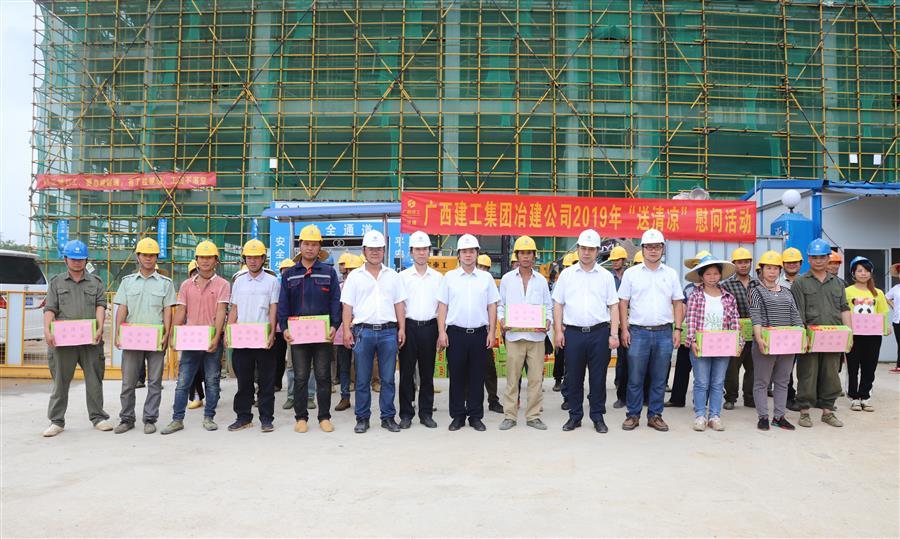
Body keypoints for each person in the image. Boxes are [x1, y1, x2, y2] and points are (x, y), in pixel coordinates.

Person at [41, 240, 112, 437]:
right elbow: (50, 308)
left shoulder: (96, 282)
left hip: (90, 341)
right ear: (65, 259)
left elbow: (100, 305)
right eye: (73, 259)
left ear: (86, 260)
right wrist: (47, 330)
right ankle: (56, 421)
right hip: (63, 341)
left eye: (81, 259)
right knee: (60, 382)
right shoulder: (56, 282)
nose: (77, 262)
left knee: (94, 380)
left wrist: (99, 327)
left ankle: (98, 417)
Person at [551, 229, 619, 433]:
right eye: (583, 248)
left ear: (597, 251)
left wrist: (613, 334)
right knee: (573, 377)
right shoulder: (567, 275)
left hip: (599, 333)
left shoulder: (605, 276)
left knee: (598, 378)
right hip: (573, 333)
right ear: (578, 249)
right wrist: (558, 331)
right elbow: (558, 304)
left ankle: (598, 417)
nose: (586, 252)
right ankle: (575, 416)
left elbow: (613, 306)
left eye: (591, 249)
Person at [618, 228, 684, 432]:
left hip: (664, 332)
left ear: (663, 249)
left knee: (660, 378)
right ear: (643, 248)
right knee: (635, 377)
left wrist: (678, 329)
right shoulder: (631, 274)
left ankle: (655, 415)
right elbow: (623, 302)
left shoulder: (670, 274)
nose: (653, 250)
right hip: (638, 332)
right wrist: (624, 329)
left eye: (657, 247)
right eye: (649, 247)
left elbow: (678, 302)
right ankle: (633, 414)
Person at [161, 240, 230, 434]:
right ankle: (177, 419)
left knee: (212, 380)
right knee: (183, 381)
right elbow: (181, 311)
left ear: (216, 260)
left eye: (209, 257)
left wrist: (216, 337)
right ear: (196, 260)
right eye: (201, 257)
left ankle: (209, 417)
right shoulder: (186, 285)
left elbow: (221, 312)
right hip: (190, 339)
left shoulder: (223, 285)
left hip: (211, 340)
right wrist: (174, 334)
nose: (205, 261)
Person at [278, 225, 342, 433]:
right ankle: (301, 417)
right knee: (300, 377)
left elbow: (335, 301)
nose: (310, 248)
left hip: (322, 334)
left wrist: (335, 325)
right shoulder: (290, 274)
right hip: (298, 336)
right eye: (306, 244)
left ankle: (324, 417)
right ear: (300, 246)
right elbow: (283, 304)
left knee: (323, 376)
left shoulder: (328, 272)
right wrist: (284, 328)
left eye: (314, 244)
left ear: (319, 247)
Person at [342, 230, 406, 433]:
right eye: (371, 249)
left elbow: (399, 304)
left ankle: (388, 417)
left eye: (379, 249)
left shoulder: (393, 276)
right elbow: (347, 306)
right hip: (363, 332)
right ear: (364, 251)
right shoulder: (355, 277)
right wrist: (346, 330)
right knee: (362, 379)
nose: (375, 252)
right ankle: (362, 418)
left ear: (384, 251)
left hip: (388, 332)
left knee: (388, 379)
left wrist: (402, 328)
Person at [112, 238, 176, 435]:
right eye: (145, 255)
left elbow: (168, 310)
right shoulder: (127, 282)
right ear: (138, 257)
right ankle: (126, 419)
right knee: (128, 382)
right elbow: (122, 308)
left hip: (155, 339)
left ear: (157, 258)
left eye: (152, 255)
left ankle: (149, 419)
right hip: (132, 338)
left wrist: (166, 333)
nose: (148, 258)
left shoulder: (166, 283)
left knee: (155, 382)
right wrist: (117, 333)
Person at [437, 234, 500, 432]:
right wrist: (441, 332)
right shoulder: (449, 278)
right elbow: (442, 306)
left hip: (479, 334)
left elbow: (492, 306)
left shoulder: (486, 278)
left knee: (476, 377)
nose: (468, 255)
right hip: (455, 334)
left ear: (477, 253)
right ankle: (457, 416)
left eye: (471, 251)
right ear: (459, 254)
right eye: (464, 251)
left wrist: (491, 332)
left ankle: (475, 416)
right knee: (456, 376)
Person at [791, 238, 851, 428]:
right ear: (809, 259)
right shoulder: (800, 282)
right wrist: (803, 337)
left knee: (831, 375)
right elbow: (798, 312)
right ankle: (804, 412)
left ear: (828, 258)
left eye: (822, 257)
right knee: (807, 374)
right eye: (814, 257)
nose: (818, 261)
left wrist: (849, 334)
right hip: (810, 337)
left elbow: (844, 308)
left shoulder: (838, 283)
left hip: (833, 338)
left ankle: (827, 411)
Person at [497, 236, 552, 431]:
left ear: (534, 256)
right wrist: (502, 320)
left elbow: (548, 306)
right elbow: (501, 305)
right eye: (522, 253)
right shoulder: (507, 280)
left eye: (529, 253)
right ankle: (510, 416)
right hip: (514, 337)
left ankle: (533, 416)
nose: (526, 256)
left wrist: (548, 321)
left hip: (536, 338)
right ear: (517, 255)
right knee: (512, 379)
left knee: (536, 379)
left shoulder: (541, 281)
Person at [226, 240, 280, 432]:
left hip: (263, 338)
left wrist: (272, 333)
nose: (253, 261)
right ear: (245, 259)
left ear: (263, 259)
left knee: (266, 381)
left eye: (257, 257)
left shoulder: (272, 281)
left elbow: (273, 308)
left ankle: (266, 418)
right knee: (244, 381)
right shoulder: (239, 281)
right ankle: (243, 417)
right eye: (249, 257)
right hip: (242, 338)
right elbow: (234, 308)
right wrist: (228, 331)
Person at [683, 255, 739, 431]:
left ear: (720, 275)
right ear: (701, 276)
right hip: (701, 345)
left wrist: (738, 342)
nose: (712, 277)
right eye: (708, 274)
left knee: (718, 382)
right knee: (701, 382)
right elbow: (691, 320)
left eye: (715, 273)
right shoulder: (695, 296)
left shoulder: (728, 297)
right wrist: (692, 340)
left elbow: (734, 321)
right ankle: (700, 415)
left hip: (723, 345)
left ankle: (715, 416)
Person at [749, 251, 803, 431]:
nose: (772, 272)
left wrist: (802, 337)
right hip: (766, 342)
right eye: (768, 268)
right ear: (761, 271)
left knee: (782, 381)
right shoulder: (756, 291)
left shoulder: (787, 292)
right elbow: (756, 316)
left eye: (775, 268)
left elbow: (795, 316)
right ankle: (763, 416)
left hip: (787, 343)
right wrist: (759, 339)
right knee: (762, 382)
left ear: (780, 270)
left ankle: (779, 417)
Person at [398, 231, 442, 429]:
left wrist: (441, 331)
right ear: (411, 252)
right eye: (418, 249)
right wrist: (401, 329)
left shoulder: (438, 278)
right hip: (409, 327)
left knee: (427, 373)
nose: (421, 253)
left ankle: (425, 413)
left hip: (430, 328)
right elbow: (399, 305)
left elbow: (441, 307)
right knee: (406, 374)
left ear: (429, 251)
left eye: (424, 249)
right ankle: (406, 414)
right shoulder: (402, 277)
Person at [665, 250, 710, 409]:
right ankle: (677, 399)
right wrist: (678, 328)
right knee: (682, 367)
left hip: (706, 336)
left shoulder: (715, 288)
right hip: (689, 333)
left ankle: (701, 402)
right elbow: (682, 309)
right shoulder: (688, 288)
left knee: (703, 371)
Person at [845, 256, 890, 412]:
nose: (863, 274)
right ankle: (854, 397)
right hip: (853, 335)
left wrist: (887, 326)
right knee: (852, 367)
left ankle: (865, 396)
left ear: (871, 273)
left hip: (873, 336)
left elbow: (883, 312)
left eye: (866, 271)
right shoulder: (847, 291)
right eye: (859, 271)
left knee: (870, 366)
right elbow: (843, 311)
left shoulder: (878, 293)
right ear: (853, 273)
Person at [721, 247, 758, 410]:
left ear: (751, 263)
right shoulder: (726, 285)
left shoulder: (758, 284)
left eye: (746, 262)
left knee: (753, 367)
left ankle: (750, 397)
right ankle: (730, 397)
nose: (743, 265)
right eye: (739, 262)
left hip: (756, 332)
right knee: (732, 368)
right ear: (734, 264)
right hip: (735, 332)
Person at [476, 253, 504, 414]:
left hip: (485, 332)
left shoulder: (489, 283)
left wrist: (492, 332)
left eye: (486, 268)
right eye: (481, 266)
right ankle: (467, 401)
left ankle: (493, 400)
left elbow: (495, 306)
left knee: (489, 369)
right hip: (469, 331)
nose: (483, 270)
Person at [607, 245, 631, 409]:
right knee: (618, 360)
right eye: (613, 260)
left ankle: (629, 395)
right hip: (612, 323)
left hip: (629, 324)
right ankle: (620, 394)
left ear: (624, 260)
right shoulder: (609, 278)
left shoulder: (630, 276)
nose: (614, 262)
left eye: (617, 260)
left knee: (629, 360)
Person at [552, 252, 578, 394]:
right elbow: (556, 305)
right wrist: (558, 326)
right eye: (566, 267)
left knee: (573, 361)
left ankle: (570, 386)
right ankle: (558, 379)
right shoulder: (559, 283)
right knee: (560, 354)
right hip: (561, 325)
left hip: (574, 327)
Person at [887, 263, 900, 374]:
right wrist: (893, 305)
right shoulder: (895, 288)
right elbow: (886, 297)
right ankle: (899, 366)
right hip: (898, 320)